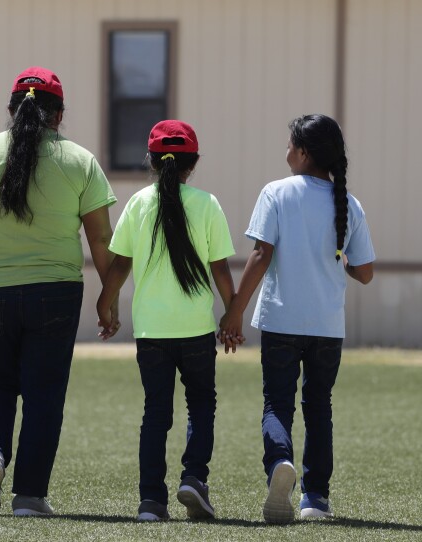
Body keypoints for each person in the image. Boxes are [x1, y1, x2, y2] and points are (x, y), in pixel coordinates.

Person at [0, 66, 118, 517]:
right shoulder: (81, 160)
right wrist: (108, 298)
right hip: (56, 292)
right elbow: (100, 240)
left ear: (12, 111)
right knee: (44, 391)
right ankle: (30, 496)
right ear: (59, 115)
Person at [218, 114, 375, 524]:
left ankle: (280, 464)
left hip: (281, 320)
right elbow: (365, 271)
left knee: (277, 404)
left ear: (303, 152)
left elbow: (260, 254)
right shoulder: (349, 203)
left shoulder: (276, 193)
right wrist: (337, 258)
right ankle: (315, 500)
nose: (285, 151)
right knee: (319, 406)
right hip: (327, 326)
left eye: (290, 144)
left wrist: (234, 310)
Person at [96, 120, 237, 522]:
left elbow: (120, 264)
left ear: (152, 162)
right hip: (195, 330)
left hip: (151, 332)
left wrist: (106, 305)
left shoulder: (138, 204)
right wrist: (232, 314)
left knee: (156, 412)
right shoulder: (208, 204)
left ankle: (151, 502)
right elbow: (221, 271)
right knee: (202, 407)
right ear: (193, 163)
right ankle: (194, 477)